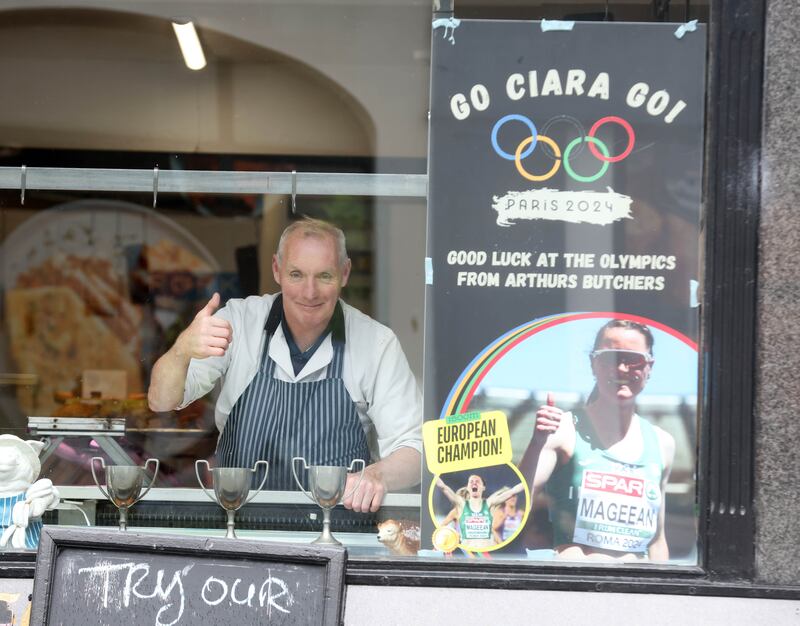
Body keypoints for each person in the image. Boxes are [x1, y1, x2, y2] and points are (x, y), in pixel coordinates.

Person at [148, 217, 422, 512]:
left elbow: (415, 449)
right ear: (277, 270)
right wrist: (181, 350)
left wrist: (376, 475)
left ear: (345, 273)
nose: (309, 292)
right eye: (296, 274)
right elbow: (161, 400)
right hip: (238, 531)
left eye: (324, 276)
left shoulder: (376, 343)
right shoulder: (239, 323)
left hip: (337, 534)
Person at [519, 319, 675, 561]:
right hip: (576, 589)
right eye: (610, 358)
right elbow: (518, 503)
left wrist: (664, 595)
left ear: (649, 367)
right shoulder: (563, 430)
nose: (622, 369)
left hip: (635, 593)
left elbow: (657, 541)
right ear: (593, 364)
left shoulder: (662, 443)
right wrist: (537, 443)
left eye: (634, 360)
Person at [435, 474, 524, 550]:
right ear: (467, 487)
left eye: (477, 481)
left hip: (487, 553)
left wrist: (527, 482)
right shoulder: (461, 504)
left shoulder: (489, 503)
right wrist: (431, 471)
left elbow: (513, 491)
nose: (474, 483)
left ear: (483, 487)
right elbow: (443, 487)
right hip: (468, 554)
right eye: (471, 481)